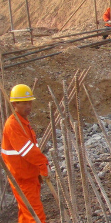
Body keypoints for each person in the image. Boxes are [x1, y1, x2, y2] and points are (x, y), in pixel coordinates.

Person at [1, 84, 49, 223]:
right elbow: (27, 150)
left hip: (29, 176)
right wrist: (42, 164)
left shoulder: (23, 122)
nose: (29, 106)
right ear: (15, 104)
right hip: (22, 178)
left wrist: (38, 171)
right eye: (25, 103)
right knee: (35, 216)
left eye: (30, 102)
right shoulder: (13, 125)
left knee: (26, 214)